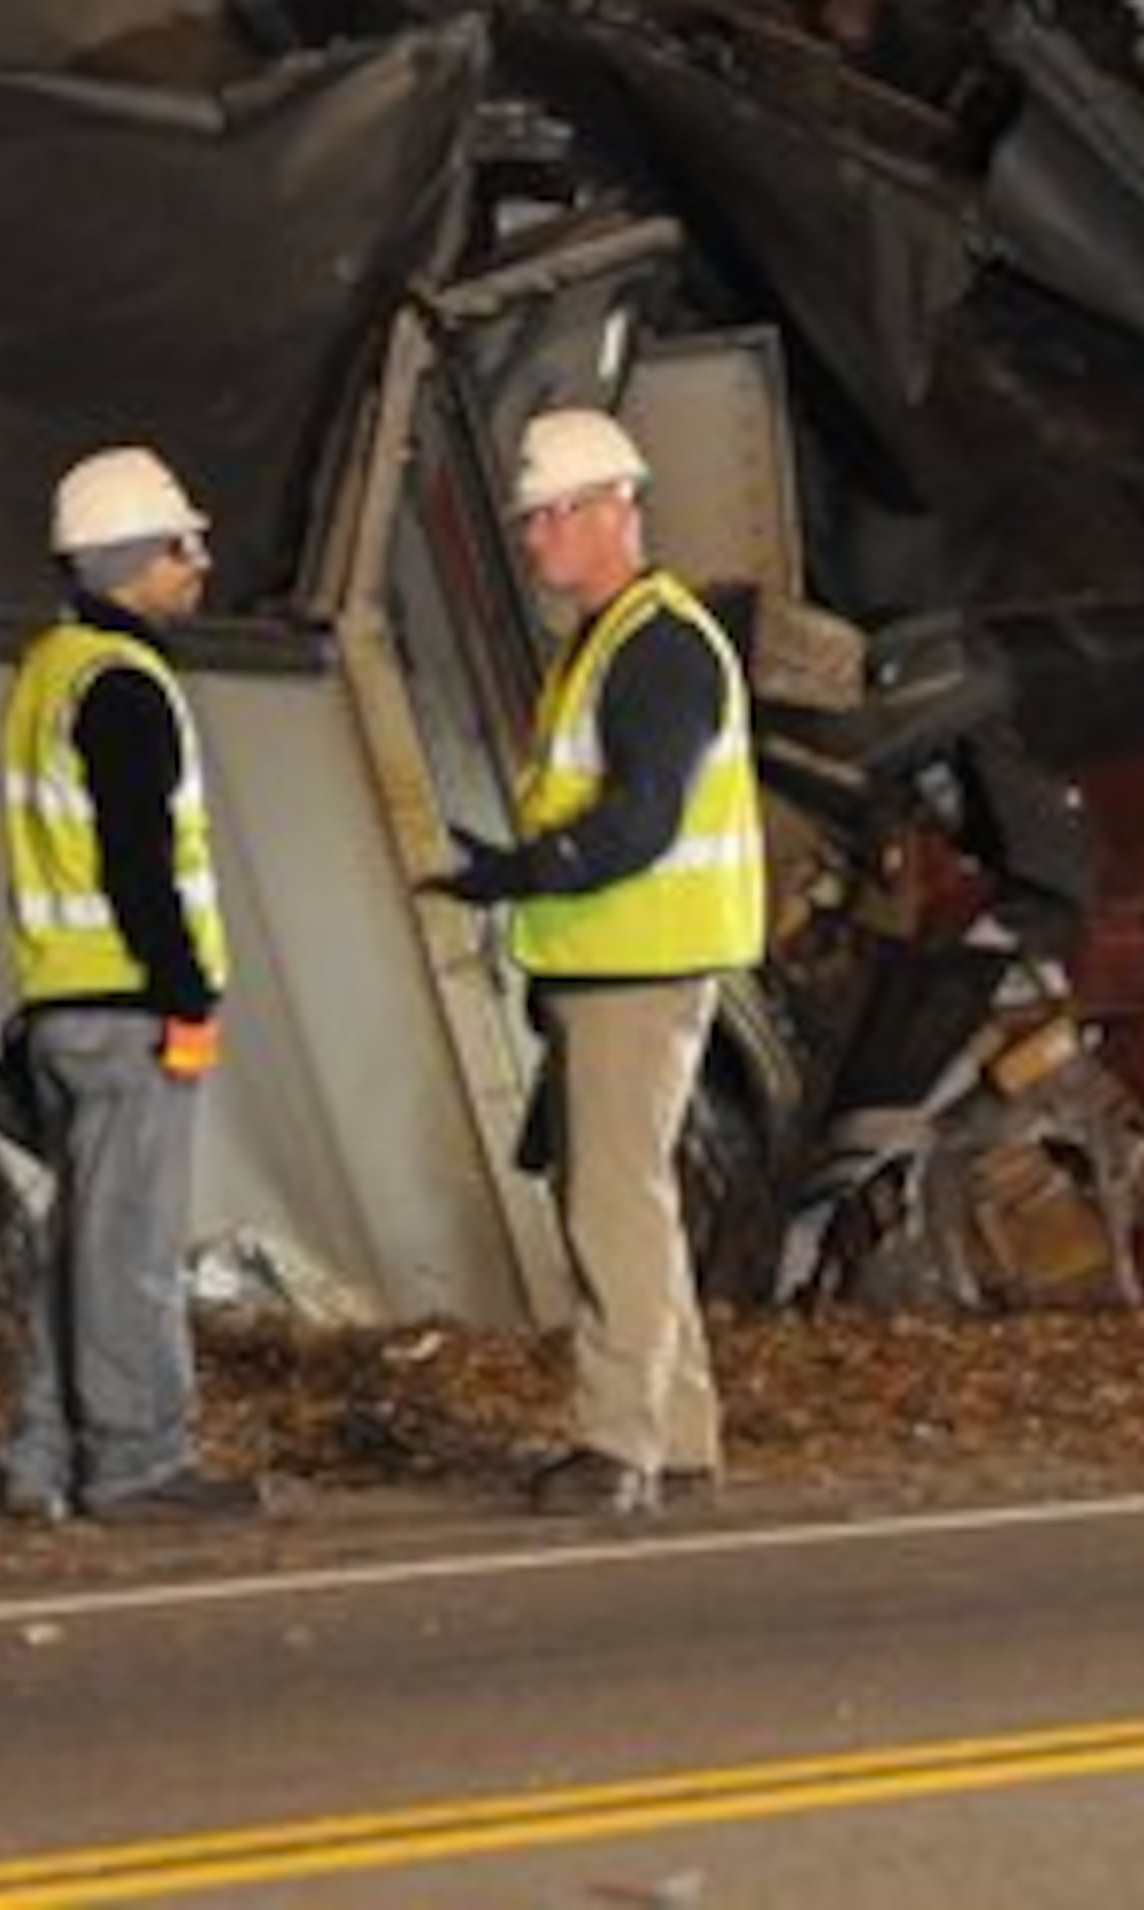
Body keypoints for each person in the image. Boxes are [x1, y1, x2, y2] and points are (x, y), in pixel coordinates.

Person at [426, 409, 767, 1516]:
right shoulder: (618, 641)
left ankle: (619, 1443)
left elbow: (642, 821)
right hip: (621, 968)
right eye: (531, 520)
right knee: (632, 1205)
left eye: (551, 516)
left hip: (638, 973)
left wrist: (525, 873)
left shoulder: (653, 650)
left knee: (611, 1211)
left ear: (614, 509)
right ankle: (677, 1434)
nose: (533, 540)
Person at [0, 445, 264, 1525]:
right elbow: (140, 862)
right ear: (133, 559)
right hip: (130, 1004)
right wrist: (187, 989)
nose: (201, 565)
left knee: (83, 1244)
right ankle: (139, 1461)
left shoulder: (50, 670)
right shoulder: (124, 688)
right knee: (133, 1253)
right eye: (183, 546)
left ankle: (43, 1457)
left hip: (65, 999)